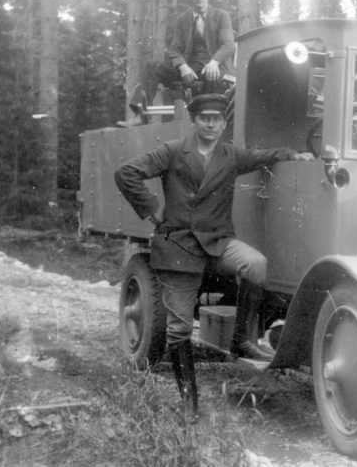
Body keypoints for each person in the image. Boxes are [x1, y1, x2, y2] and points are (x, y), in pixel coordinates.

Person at [113, 94, 314, 408]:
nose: (211, 123)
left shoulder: (230, 155)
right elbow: (126, 173)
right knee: (179, 329)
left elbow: (263, 156)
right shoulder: (174, 151)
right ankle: (190, 403)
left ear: (223, 123)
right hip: (179, 246)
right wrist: (152, 210)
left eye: (217, 118)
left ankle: (242, 341)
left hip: (218, 243)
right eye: (204, 118)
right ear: (194, 121)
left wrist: (292, 155)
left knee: (255, 264)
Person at [136, 0, 237, 116]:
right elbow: (175, 49)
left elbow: (228, 45)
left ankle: (205, 117)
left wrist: (214, 62)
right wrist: (183, 66)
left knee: (211, 77)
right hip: (191, 70)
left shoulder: (221, 16)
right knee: (152, 66)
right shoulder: (183, 19)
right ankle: (139, 113)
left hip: (215, 69)